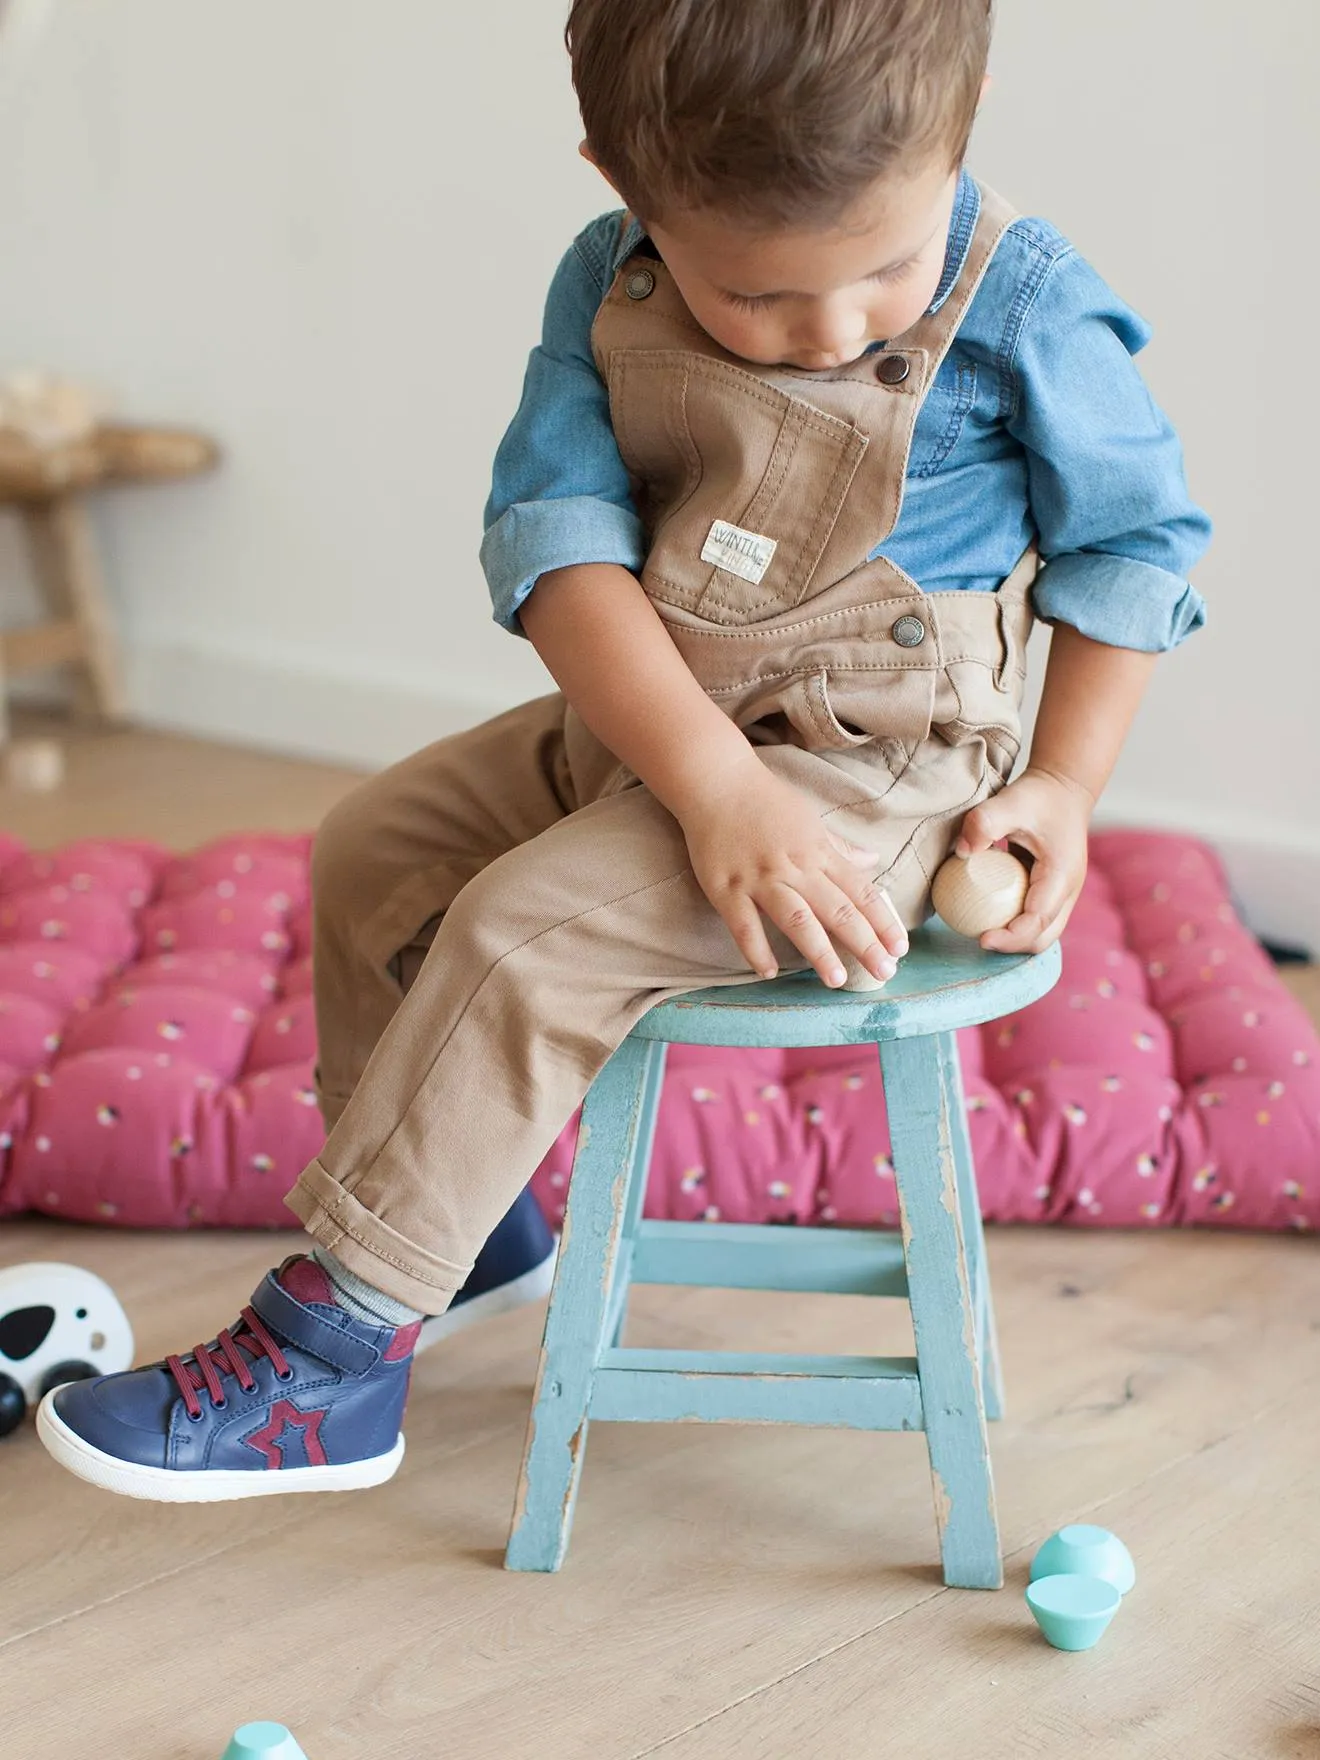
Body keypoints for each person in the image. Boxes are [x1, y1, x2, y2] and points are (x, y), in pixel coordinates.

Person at [37, 0, 1209, 1502]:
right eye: (758, 295)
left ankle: (332, 1359)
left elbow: (1135, 552)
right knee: (377, 848)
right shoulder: (610, 287)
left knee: (524, 937)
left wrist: (1061, 783)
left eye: (881, 273)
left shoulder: (1031, 303)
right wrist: (708, 784)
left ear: (963, 124)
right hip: (660, 728)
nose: (835, 328)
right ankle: (468, 1230)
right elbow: (559, 554)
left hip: (879, 781)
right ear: (620, 179)